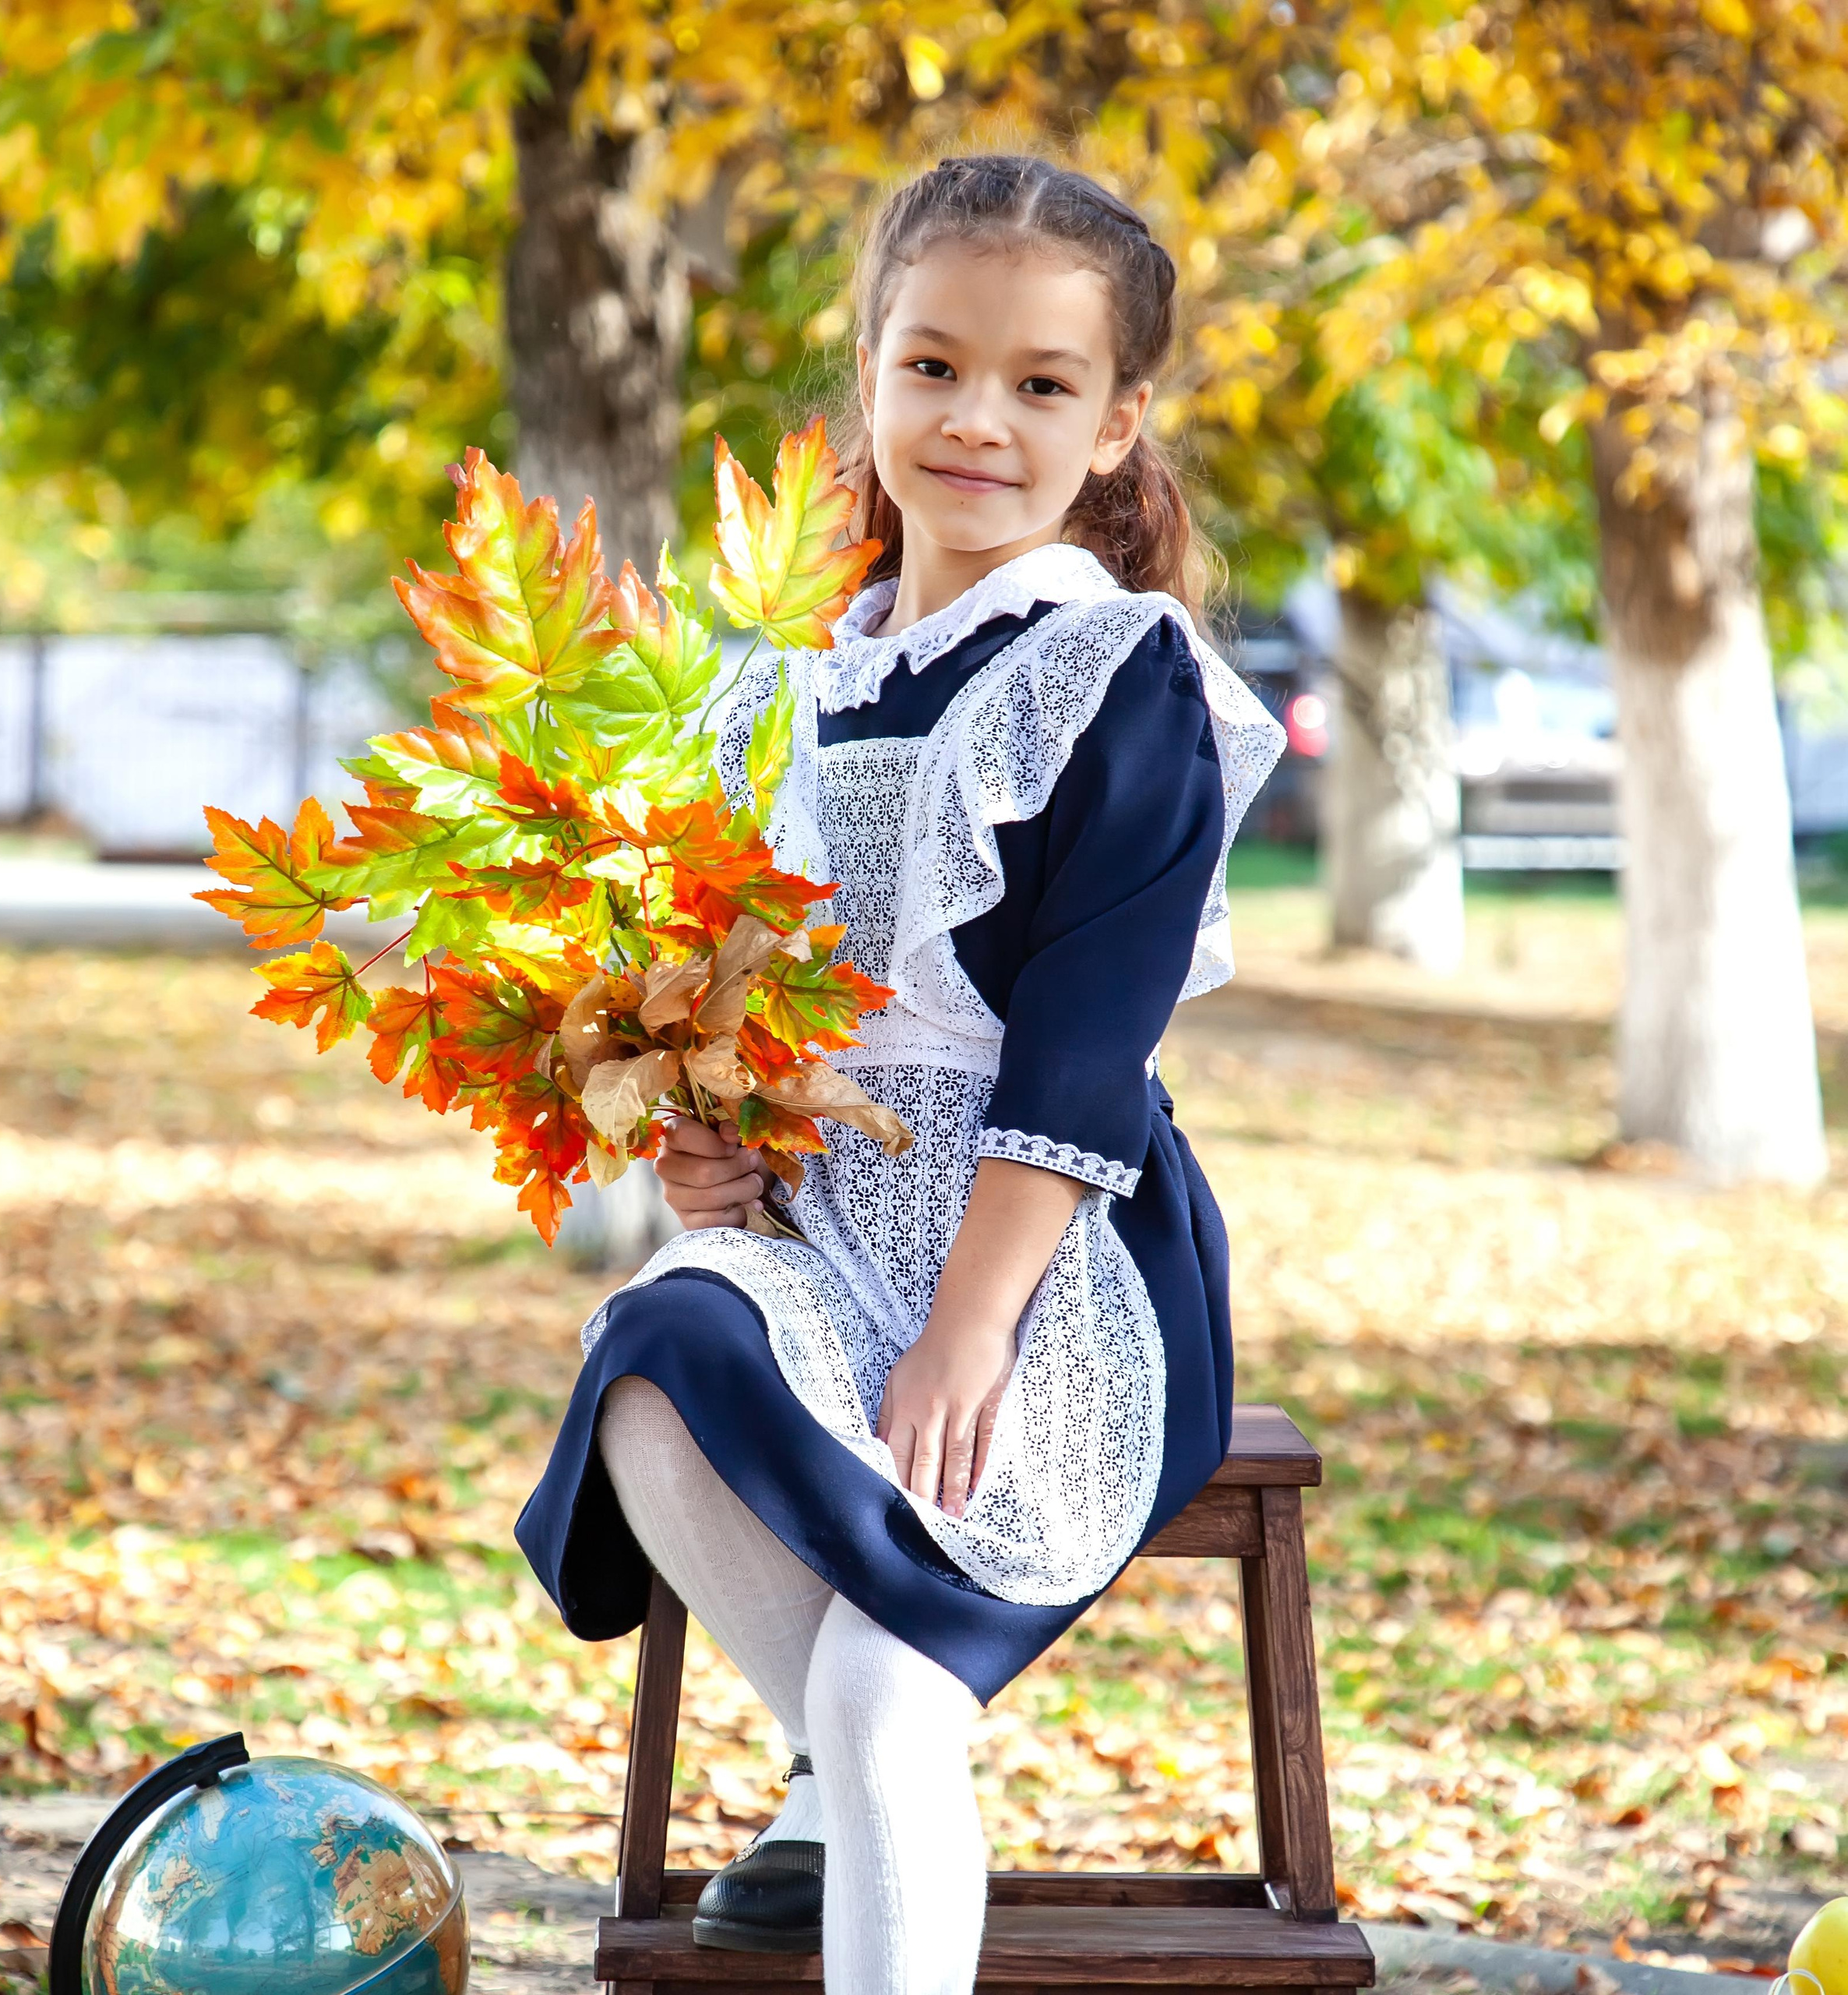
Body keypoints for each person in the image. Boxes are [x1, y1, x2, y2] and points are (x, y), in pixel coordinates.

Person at [516, 153, 1284, 1995]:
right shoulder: (779, 689)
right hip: (813, 1231)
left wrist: (966, 1328)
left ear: (1114, 423)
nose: (974, 419)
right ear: (865, 371)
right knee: (652, 1352)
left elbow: (1084, 1050)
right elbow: (714, 990)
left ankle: (851, 1760)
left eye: (1038, 382)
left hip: (1049, 1260)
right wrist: (706, 1136)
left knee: (878, 1697)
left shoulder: (1114, 673)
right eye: (930, 365)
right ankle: (855, 1769)